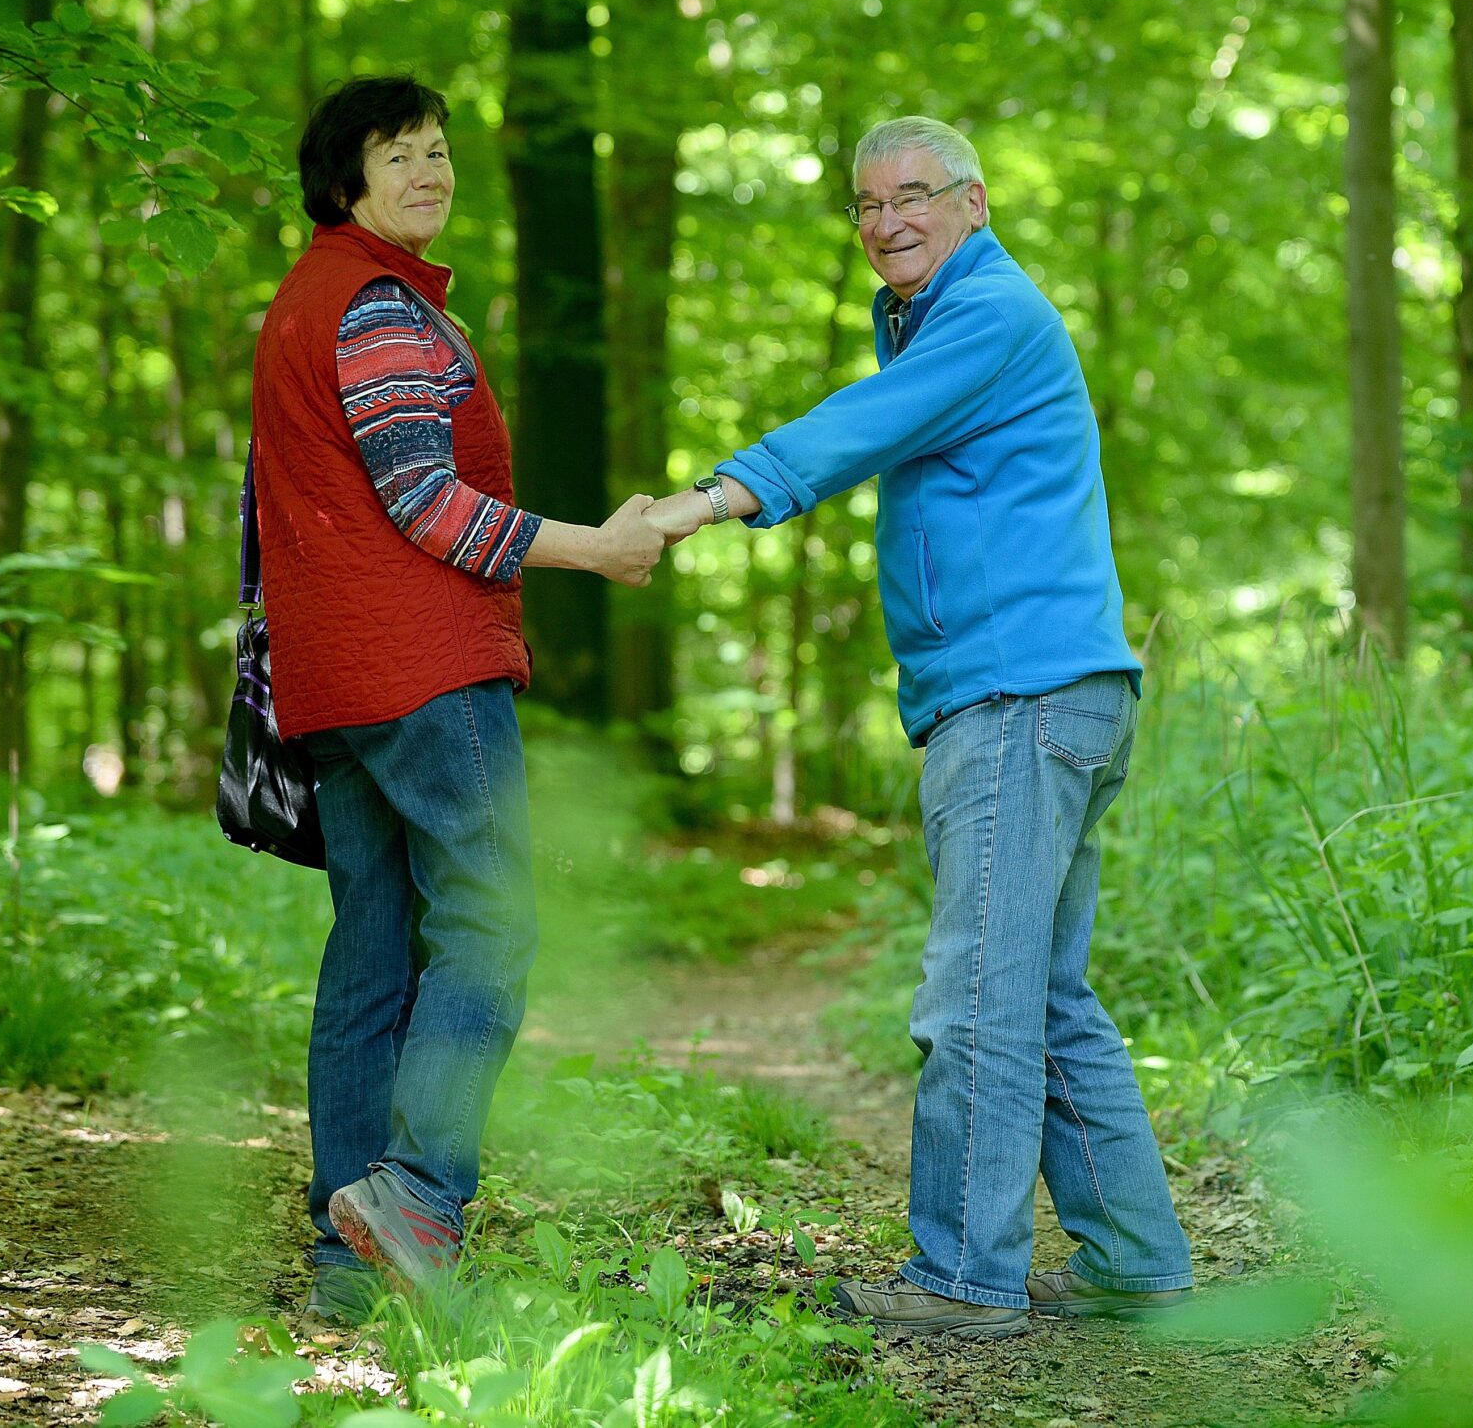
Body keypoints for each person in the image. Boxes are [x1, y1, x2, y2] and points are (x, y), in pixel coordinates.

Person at [646, 116, 1196, 1338]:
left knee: (980, 999)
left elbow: (854, 430)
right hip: (1052, 693)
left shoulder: (989, 316)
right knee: (1044, 995)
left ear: (975, 202)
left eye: (914, 195)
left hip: (1018, 697)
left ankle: (961, 1274)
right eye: (865, 204)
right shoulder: (939, 317)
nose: (887, 219)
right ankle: (1139, 1260)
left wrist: (695, 505)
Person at [251, 75, 670, 1325]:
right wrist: (593, 546)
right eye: (399, 155)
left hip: (338, 683)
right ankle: (419, 1196)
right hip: (424, 672)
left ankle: (349, 1257)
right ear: (346, 184)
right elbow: (425, 503)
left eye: (438, 151)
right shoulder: (375, 305)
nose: (429, 171)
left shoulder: (305, 298)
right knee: (490, 924)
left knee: (374, 955)